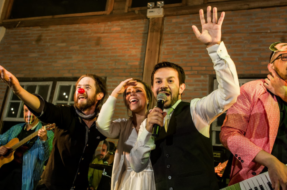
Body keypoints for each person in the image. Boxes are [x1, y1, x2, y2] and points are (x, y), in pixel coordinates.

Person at [129, 6, 240, 190]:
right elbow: (137, 165)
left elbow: (230, 94)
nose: (163, 85)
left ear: (181, 87)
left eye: (170, 80)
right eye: (158, 81)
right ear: (153, 88)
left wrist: (214, 47)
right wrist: (146, 131)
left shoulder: (197, 110)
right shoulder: (147, 123)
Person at [0, 64, 107, 190]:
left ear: (99, 95)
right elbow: (45, 109)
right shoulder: (65, 114)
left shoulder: (101, 126)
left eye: (87, 87)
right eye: (78, 87)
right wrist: (18, 90)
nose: (80, 90)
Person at [220, 41, 287, 190]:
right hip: (257, 179)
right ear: (271, 66)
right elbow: (228, 134)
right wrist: (270, 161)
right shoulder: (251, 89)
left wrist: (283, 93)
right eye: (285, 57)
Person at [96, 78, 156, 190]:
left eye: (138, 90)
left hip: (152, 181)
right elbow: (102, 125)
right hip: (126, 182)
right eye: (128, 93)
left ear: (148, 98)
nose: (132, 93)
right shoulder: (123, 125)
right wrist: (115, 93)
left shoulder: (157, 121)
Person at [0, 105, 54, 190]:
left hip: (24, 179)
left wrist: (44, 140)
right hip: (3, 174)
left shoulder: (48, 134)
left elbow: (43, 157)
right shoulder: (16, 128)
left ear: (38, 114)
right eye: (26, 111)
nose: (28, 114)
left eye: (32, 111)